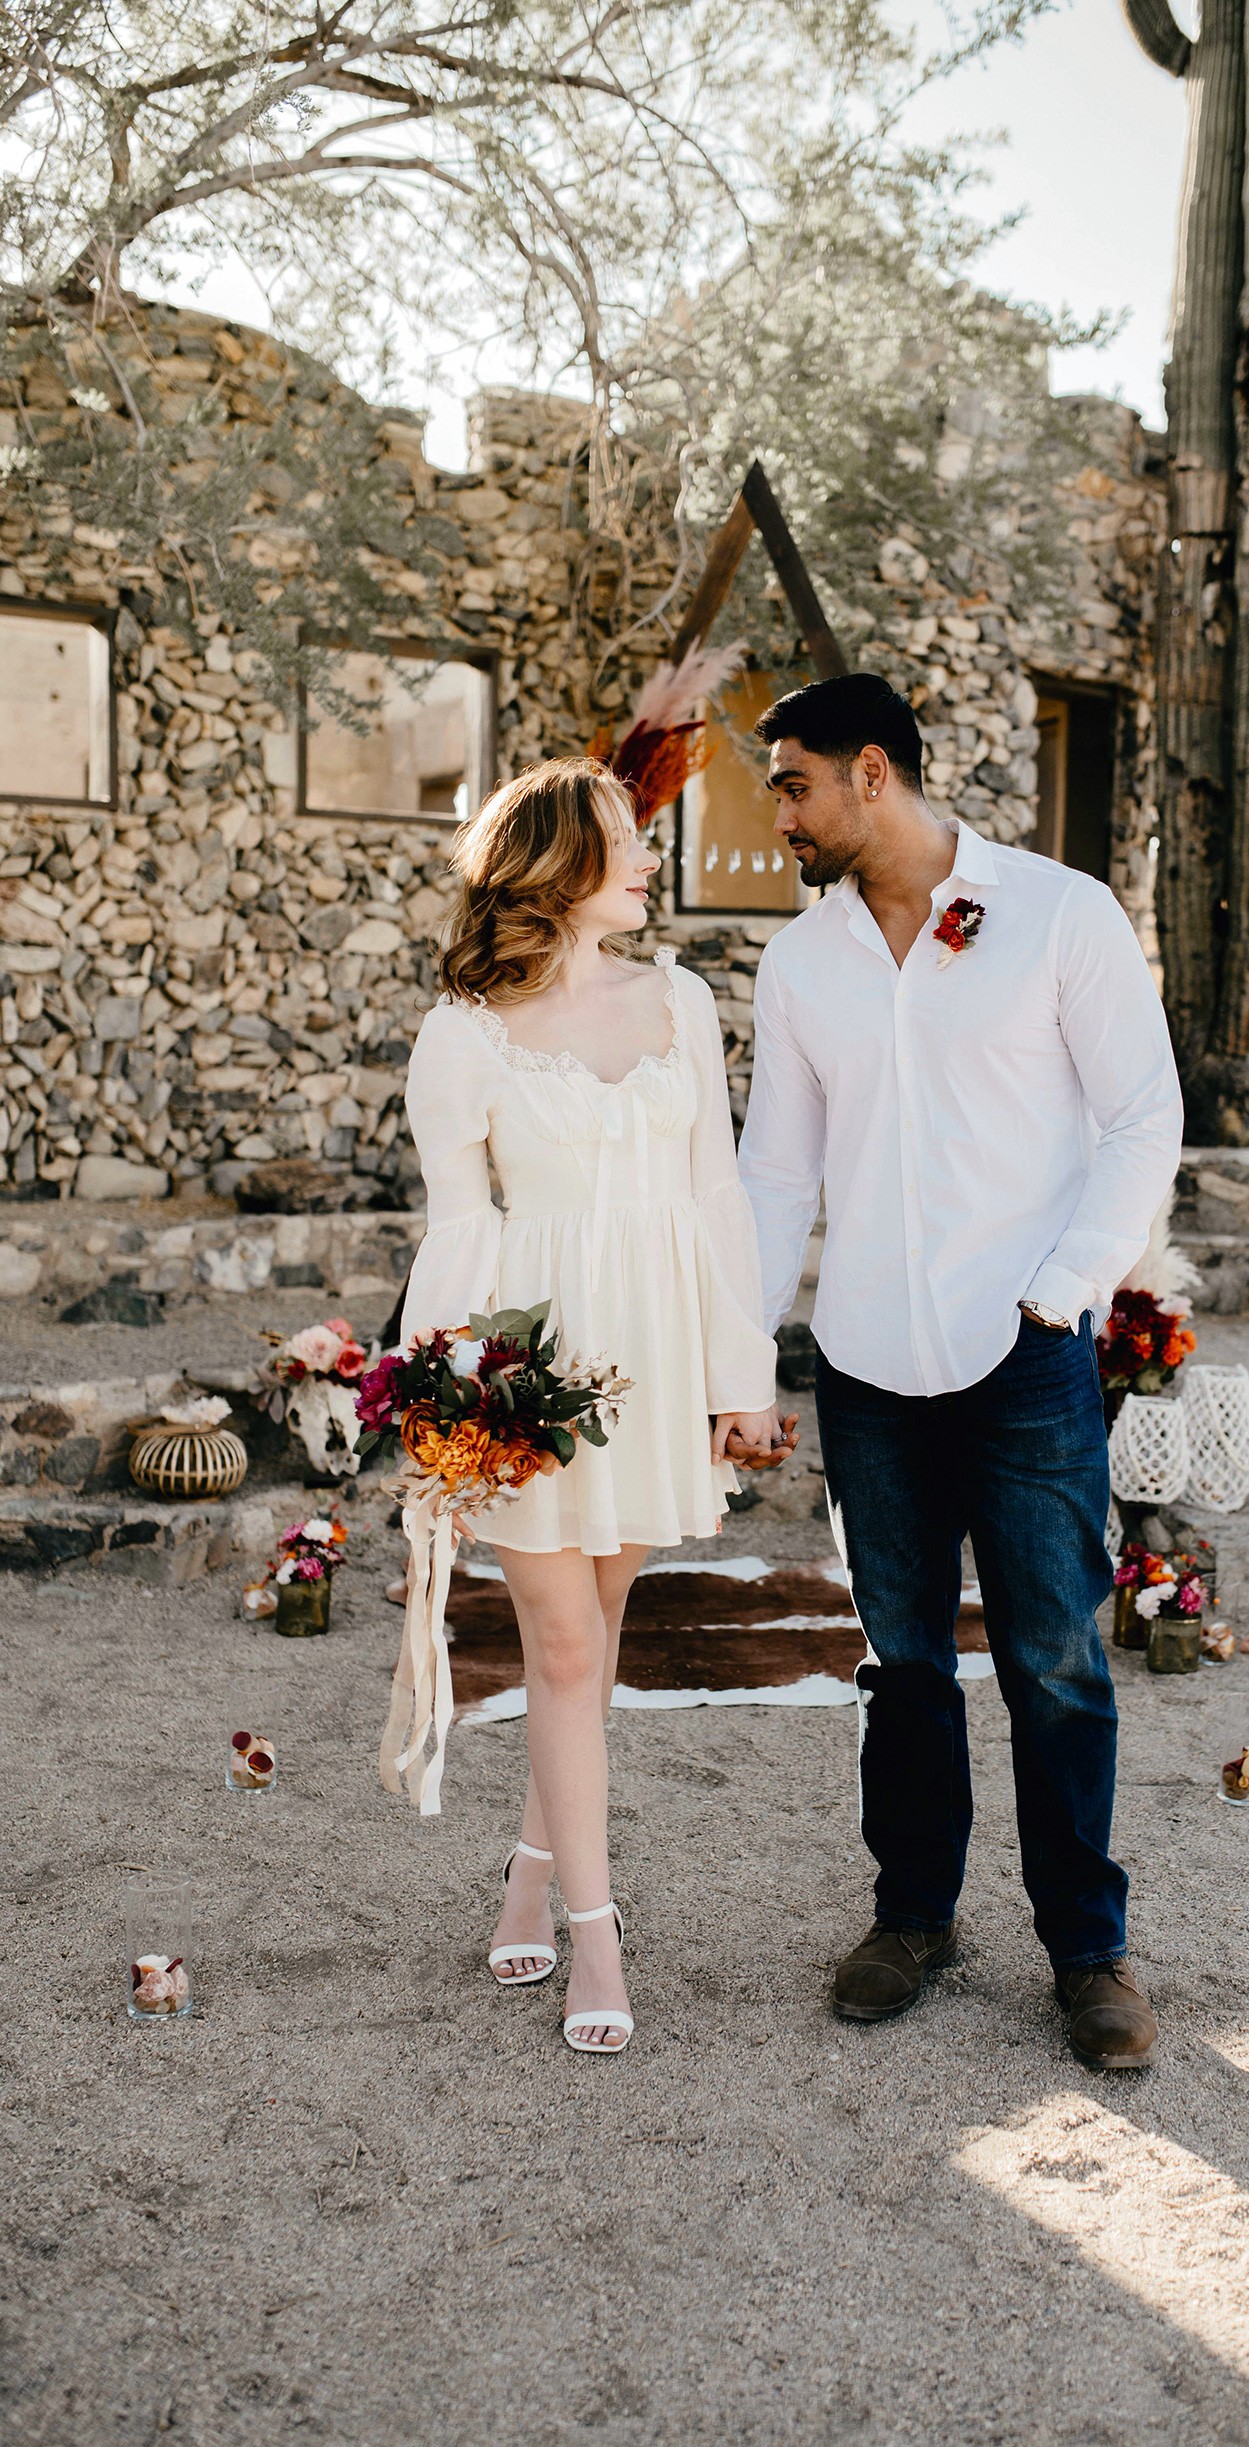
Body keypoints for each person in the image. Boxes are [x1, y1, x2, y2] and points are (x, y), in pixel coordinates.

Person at [737, 674, 1182, 2069]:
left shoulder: (1058, 913)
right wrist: (742, 1355)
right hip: (865, 1362)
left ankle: (1087, 1952)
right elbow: (775, 1173)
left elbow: (1139, 1117)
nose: (780, 820)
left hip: (1027, 1355)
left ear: (873, 773)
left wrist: (1060, 1290)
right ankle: (911, 1914)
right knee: (901, 1660)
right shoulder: (798, 964)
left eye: (793, 787)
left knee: (1055, 1659)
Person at [398, 760, 793, 2054]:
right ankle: (596, 1933)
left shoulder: (681, 1000)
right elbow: (461, 1227)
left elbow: (718, 1197)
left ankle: (527, 1867)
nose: (648, 858)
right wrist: (438, 1395)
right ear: (556, 866)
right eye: (624, 839)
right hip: (533, 1373)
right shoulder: (464, 1029)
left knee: (597, 1633)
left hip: (659, 1358)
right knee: (564, 1652)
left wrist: (743, 1376)